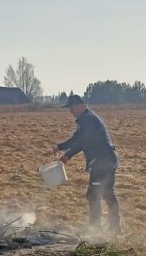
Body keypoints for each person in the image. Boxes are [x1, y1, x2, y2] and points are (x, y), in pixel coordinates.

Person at [52, 94, 121, 235]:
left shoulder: (88, 119)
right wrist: (66, 156)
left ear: (81, 106)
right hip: (108, 159)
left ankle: (95, 229)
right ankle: (115, 228)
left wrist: (60, 147)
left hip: (102, 162)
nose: (70, 111)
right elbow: (83, 142)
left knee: (93, 194)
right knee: (108, 193)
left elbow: (78, 139)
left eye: (72, 107)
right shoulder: (88, 118)